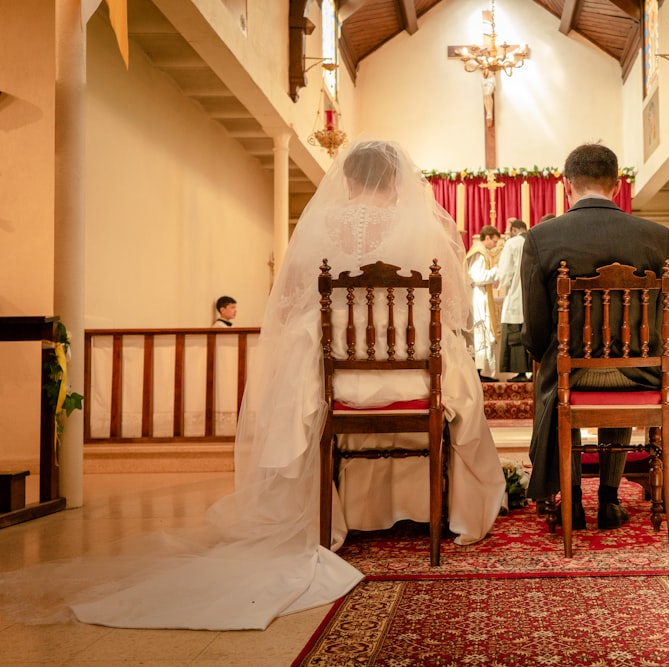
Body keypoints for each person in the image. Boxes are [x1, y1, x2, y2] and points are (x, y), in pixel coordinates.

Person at [3, 140, 505, 631]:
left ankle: (330, 519)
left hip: (334, 381)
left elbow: (286, 303)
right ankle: (452, 512)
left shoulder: (321, 226)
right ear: (397, 180)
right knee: (459, 385)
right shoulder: (425, 227)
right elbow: (456, 309)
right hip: (415, 372)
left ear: (347, 179)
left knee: (304, 368)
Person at [520, 143, 669, 530]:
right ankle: (610, 498)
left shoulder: (541, 238)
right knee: (622, 361)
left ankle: (570, 502)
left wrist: (548, 355)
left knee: (551, 376)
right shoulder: (656, 236)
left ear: (567, 185)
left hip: (571, 374)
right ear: (616, 186)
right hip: (643, 374)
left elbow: (534, 330)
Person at [496, 218, 531, 381]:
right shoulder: (534, 239)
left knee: (515, 333)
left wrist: (501, 282)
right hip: (533, 297)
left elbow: (505, 272)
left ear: (515, 230)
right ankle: (533, 370)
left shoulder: (512, 243)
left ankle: (521, 372)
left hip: (517, 295)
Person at [467, 225, 502, 382]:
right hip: (477, 296)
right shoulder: (479, 253)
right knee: (481, 332)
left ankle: (482, 372)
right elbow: (478, 276)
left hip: (480, 295)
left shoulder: (480, 251)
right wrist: (497, 270)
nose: (495, 245)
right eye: (494, 241)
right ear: (487, 238)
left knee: (483, 333)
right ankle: (479, 373)